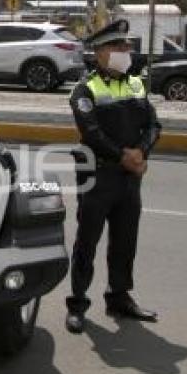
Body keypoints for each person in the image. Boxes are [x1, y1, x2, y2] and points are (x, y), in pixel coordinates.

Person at [65, 19, 161, 334]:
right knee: (87, 243)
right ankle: (77, 303)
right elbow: (90, 132)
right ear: (100, 52)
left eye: (126, 46)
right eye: (118, 46)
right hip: (98, 177)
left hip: (129, 180)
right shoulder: (85, 89)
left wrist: (142, 153)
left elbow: (153, 125)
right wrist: (125, 156)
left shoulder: (135, 84)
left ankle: (118, 297)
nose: (125, 51)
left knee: (125, 242)